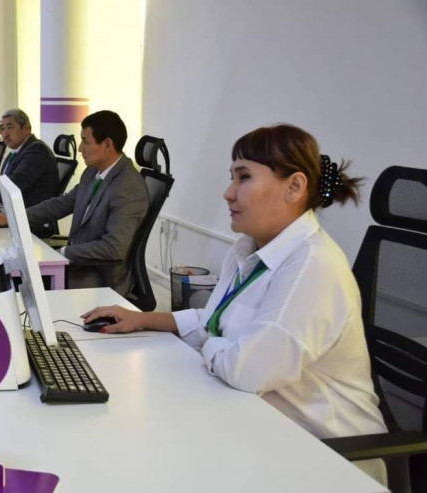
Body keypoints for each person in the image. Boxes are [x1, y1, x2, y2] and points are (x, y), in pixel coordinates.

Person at [82, 124, 388, 485]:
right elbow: (214, 320)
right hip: (257, 426)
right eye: (232, 177)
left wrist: (210, 344)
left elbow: (247, 369)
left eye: (244, 177)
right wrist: (143, 319)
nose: (228, 193)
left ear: (294, 187)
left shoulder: (312, 266)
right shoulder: (247, 248)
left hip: (326, 459)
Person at [0, 110, 149, 296]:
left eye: (85, 141)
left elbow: (113, 248)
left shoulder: (129, 187)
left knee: (4, 281)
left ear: (107, 144)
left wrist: (63, 253)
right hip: (78, 264)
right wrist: (11, 218)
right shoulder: (93, 172)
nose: (80, 148)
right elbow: (61, 204)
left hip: (98, 278)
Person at [0, 109, 58, 207]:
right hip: (10, 204)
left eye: (10, 127)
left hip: (26, 211)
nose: (5, 134)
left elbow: (20, 179)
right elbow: (7, 180)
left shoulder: (37, 150)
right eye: (2, 129)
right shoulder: (18, 150)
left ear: (26, 129)